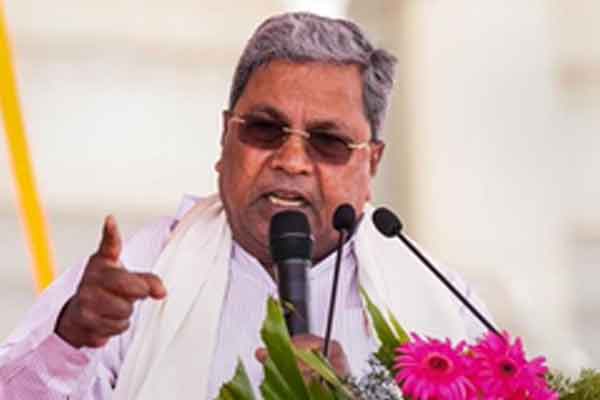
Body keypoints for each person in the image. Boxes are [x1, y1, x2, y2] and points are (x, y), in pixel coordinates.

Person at [0, 12, 488, 399]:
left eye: (328, 141)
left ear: (371, 164)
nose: (291, 161)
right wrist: (69, 341)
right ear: (225, 137)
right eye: (265, 129)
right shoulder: (137, 274)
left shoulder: (441, 301)